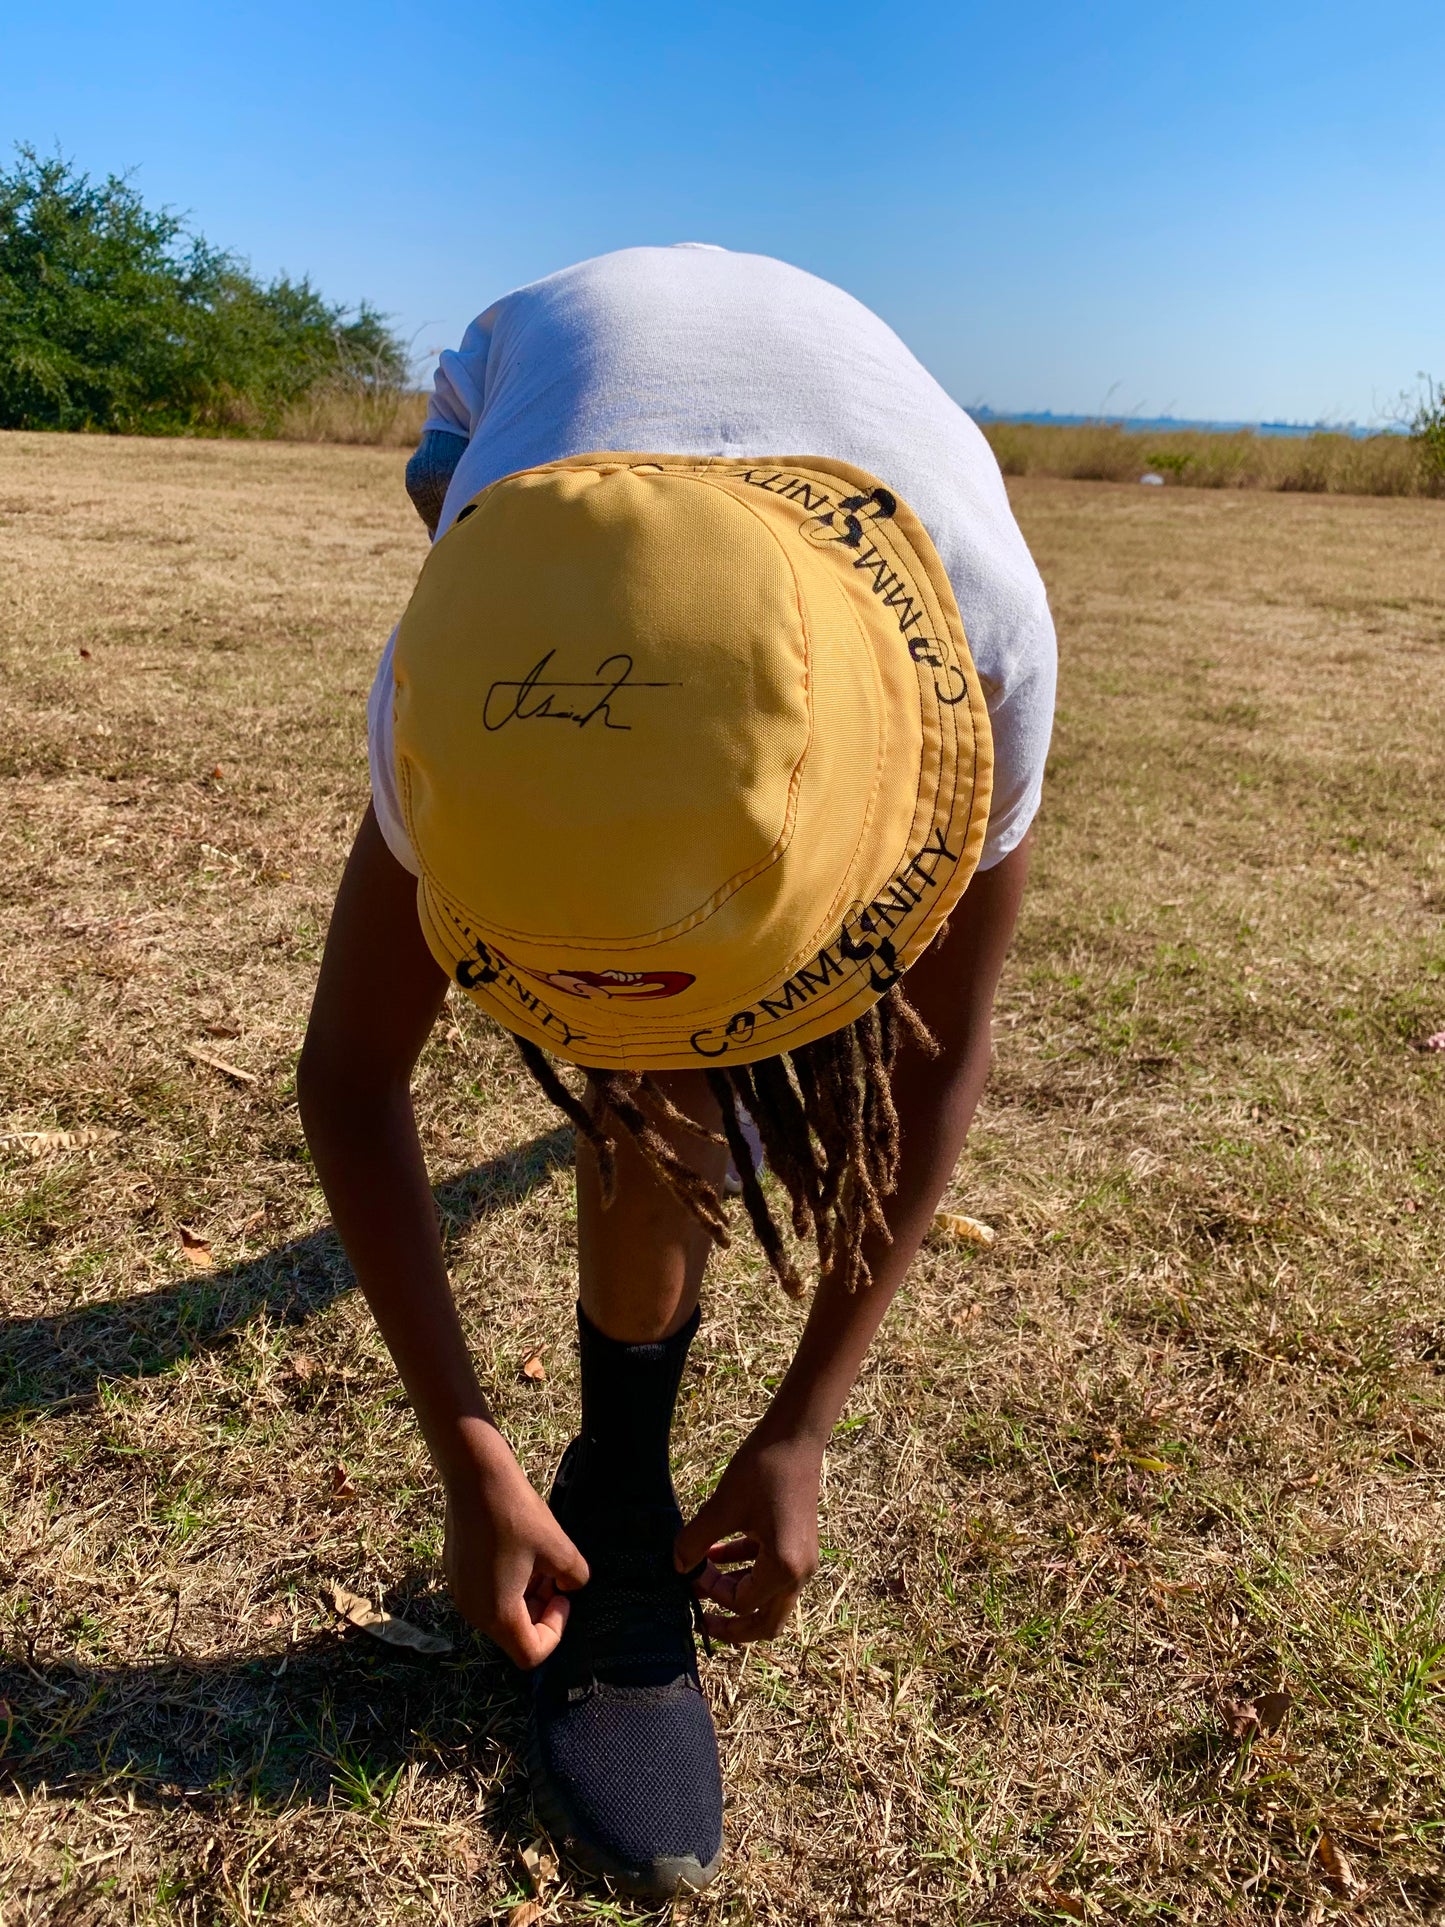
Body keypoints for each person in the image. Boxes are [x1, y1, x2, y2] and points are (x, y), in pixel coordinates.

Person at [297, 244, 1055, 1899]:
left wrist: (800, 1427)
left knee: (678, 1084)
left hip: (834, 437)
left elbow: (934, 1074)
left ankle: (630, 1431)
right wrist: (472, 1450)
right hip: (515, 389)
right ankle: (604, 1454)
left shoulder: (983, 653)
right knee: (653, 1042)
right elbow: (351, 1077)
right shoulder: (439, 700)